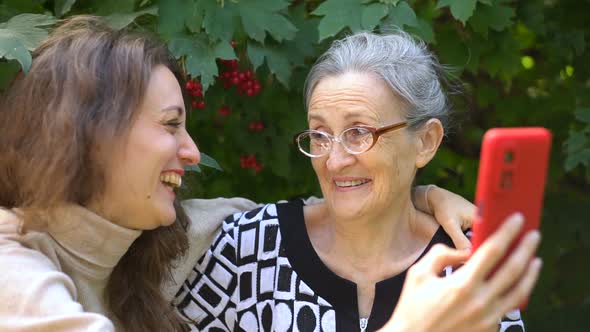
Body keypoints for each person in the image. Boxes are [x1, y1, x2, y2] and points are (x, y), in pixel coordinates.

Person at [0, 16, 490, 331]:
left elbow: (333, 216)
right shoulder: (11, 272)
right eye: (171, 125)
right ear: (93, 136)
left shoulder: (173, 241)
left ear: (426, 140)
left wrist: (418, 194)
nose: (192, 152)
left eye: (360, 133)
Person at [174, 31, 534, 332]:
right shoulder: (246, 250)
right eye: (319, 134)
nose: (334, 160)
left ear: (425, 142)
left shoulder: (471, 265)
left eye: (359, 132)